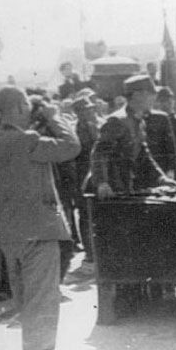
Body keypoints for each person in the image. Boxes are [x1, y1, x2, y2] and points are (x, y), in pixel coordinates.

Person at [0, 86, 80, 350]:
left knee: (26, 302)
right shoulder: (27, 140)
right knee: (43, 302)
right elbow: (71, 146)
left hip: (11, 234)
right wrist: (57, 117)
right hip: (39, 231)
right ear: (20, 107)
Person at [90, 75, 176, 198]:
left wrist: (161, 178)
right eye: (151, 93)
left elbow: (144, 154)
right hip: (109, 193)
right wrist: (102, 183)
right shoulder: (117, 121)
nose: (155, 98)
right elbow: (99, 153)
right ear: (137, 95)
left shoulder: (139, 121)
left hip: (126, 189)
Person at [72, 96, 103, 261]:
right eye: (87, 109)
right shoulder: (74, 131)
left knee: (99, 212)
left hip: (97, 175)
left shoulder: (99, 125)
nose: (91, 111)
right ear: (78, 113)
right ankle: (90, 251)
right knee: (84, 214)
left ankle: (99, 249)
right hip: (80, 177)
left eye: (91, 108)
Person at [144, 87, 176, 178]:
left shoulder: (162, 118)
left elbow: (170, 147)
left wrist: (171, 169)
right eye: (160, 101)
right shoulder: (141, 116)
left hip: (161, 165)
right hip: (143, 166)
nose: (163, 104)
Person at [155, 86, 176, 170]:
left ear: (173, 102)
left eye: (168, 101)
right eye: (162, 101)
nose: (165, 105)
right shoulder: (153, 122)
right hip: (159, 165)